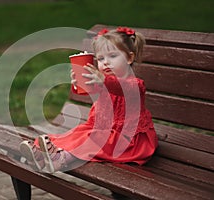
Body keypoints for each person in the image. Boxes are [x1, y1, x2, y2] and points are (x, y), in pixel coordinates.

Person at [19, 27, 158, 173]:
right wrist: (78, 82)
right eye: (101, 58)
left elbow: (120, 88)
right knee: (76, 133)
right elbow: (87, 90)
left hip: (128, 142)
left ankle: (61, 159)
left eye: (112, 56)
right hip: (104, 133)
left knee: (93, 137)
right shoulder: (103, 82)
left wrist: (103, 80)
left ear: (129, 58)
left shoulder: (135, 84)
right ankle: (41, 153)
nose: (106, 62)